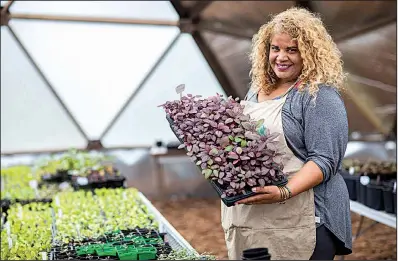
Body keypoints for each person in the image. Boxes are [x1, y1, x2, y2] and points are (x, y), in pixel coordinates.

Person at [220, 7, 352, 260]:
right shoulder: (256, 90)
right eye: (275, 48)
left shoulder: (318, 95)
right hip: (254, 217)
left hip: (302, 220)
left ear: (310, 53)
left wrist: (283, 191)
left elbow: (325, 160)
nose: (281, 57)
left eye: (292, 49)